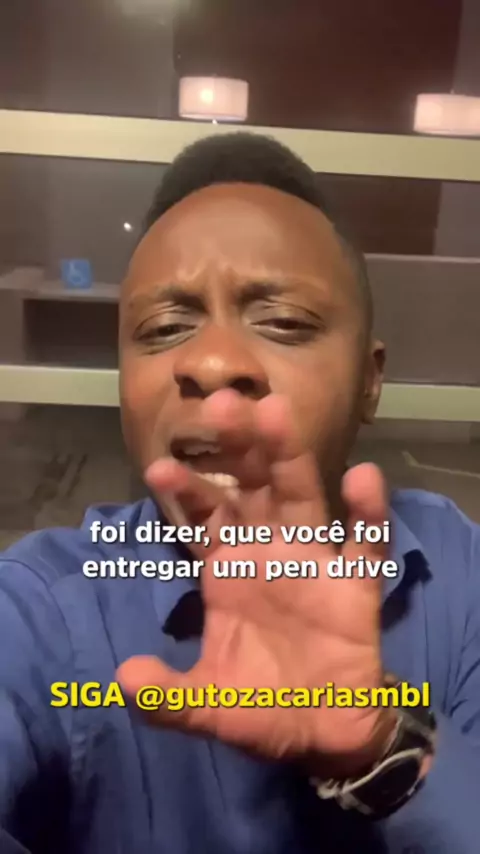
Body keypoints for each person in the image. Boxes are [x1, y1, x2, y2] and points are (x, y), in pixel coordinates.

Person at [0, 132, 479, 854]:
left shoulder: (461, 577)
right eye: (165, 328)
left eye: (283, 322)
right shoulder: (40, 608)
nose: (215, 362)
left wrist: (384, 745)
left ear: (370, 380)